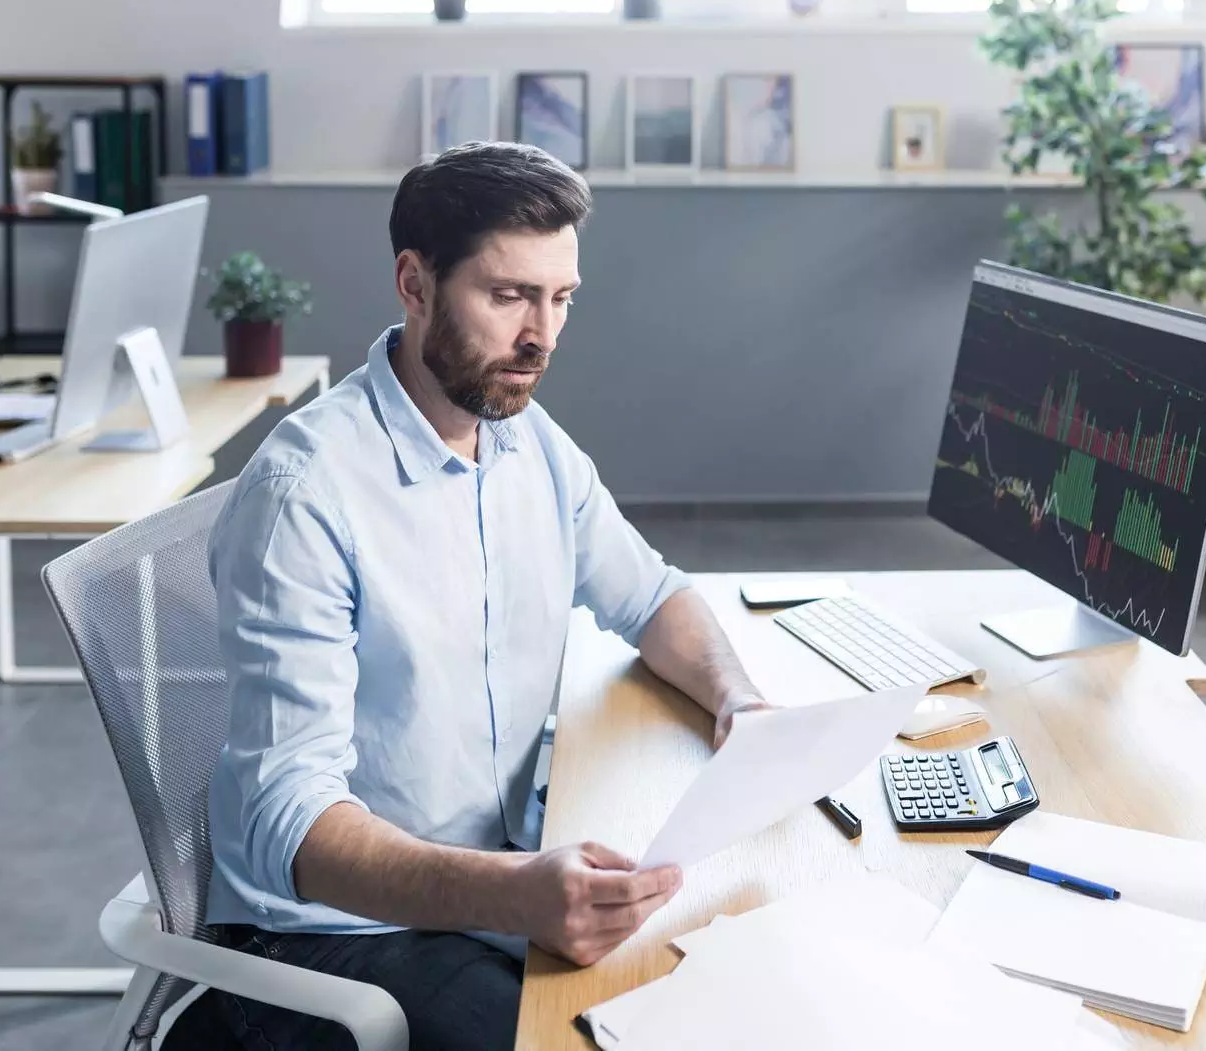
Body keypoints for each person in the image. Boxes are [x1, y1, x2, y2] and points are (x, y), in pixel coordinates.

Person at [183, 142, 770, 1051]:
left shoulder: (525, 439)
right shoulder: (306, 494)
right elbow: (286, 822)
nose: (542, 335)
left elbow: (650, 594)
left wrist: (741, 701)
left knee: (731, 991)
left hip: (496, 875)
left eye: (561, 298)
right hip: (333, 936)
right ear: (414, 285)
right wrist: (513, 888)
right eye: (508, 296)